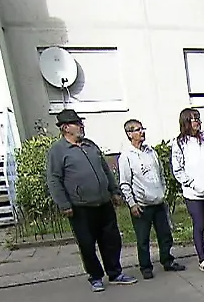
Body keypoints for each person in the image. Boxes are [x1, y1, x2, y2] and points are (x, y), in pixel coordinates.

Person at [45, 108, 137, 292]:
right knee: (87, 244)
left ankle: (115, 272)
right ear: (65, 128)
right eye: (77, 124)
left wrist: (114, 191)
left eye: (81, 123)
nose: (81, 126)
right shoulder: (58, 151)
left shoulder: (89, 145)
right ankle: (95, 276)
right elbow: (54, 179)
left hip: (103, 203)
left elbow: (105, 169)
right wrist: (64, 204)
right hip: (80, 207)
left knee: (111, 240)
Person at [117, 118, 185, 279]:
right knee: (143, 238)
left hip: (158, 202)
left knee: (165, 235)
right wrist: (132, 204)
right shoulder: (126, 156)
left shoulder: (151, 152)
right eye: (137, 130)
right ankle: (145, 267)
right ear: (129, 134)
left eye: (142, 129)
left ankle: (167, 261)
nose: (142, 132)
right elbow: (125, 183)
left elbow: (160, 174)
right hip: (142, 205)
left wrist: (164, 191)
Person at [170, 108, 204, 273]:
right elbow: (178, 170)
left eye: (198, 118)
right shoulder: (179, 143)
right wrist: (192, 184)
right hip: (193, 193)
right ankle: (202, 258)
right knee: (199, 224)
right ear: (186, 122)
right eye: (194, 119)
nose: (197, 122)